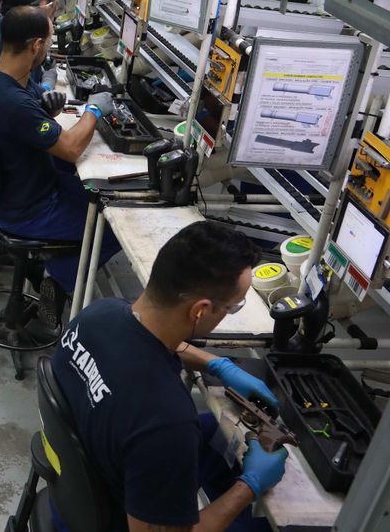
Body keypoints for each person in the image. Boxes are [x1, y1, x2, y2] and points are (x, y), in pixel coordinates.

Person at [52, 221, 288, 531]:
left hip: (73, 491)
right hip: (105, 520)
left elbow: (148, 340)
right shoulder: (165, 422)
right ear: (200, 311)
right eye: (232, 307)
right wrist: (249, 487)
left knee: (214, 434)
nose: (230, 313)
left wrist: (217, 365)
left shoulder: (99, 314)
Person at [0, 6, 120, 320]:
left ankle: (52, 269)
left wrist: (44, 105)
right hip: (27, 209)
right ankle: (57, 280)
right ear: (35, 46)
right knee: (114, 223)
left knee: (93, 189)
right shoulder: (13, 102)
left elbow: (20, 121)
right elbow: (69, 149)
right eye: (48, 38)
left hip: (12, 190)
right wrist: (94, 111)